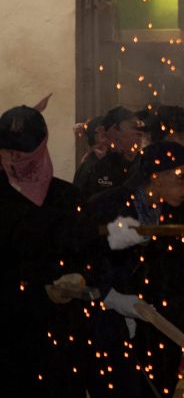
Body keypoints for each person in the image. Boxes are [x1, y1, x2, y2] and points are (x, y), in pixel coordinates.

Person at [85, 141, 184, 397]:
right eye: (182, 177)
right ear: (156, 177)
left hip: (160, 324)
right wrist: (109, 295)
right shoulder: (109, 206)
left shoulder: (177, 211)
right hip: (110, 323)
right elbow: (81, 258)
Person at [0, 104, 93, 397]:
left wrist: (80, 277)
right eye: (8, 150)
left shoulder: (66, 198)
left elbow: (88, 253)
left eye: (23, 151)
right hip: (7, 338)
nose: (15, 159)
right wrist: (37, 291)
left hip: (60, 337)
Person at [73, 106, 144, 199]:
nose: (140, 133)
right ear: (114, 131)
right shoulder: (94, 167)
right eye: (133, 127)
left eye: (140, 127)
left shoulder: (143, 164)